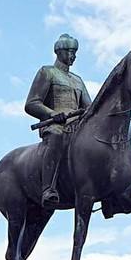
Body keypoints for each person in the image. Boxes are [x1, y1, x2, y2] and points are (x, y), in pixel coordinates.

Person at [24, 33, 92, 208]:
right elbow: (32, 103)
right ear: (59, 52)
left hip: (77, 127)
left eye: (75, 52)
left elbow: (89, 108)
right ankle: (48, 188)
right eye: (70, 51)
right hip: (56, 125)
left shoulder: (78, 81)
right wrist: (52, 114)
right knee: (56, 136)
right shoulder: (47, 72)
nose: (73, 55)